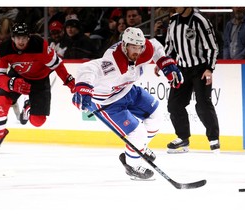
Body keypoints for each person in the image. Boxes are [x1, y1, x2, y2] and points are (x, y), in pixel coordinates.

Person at [72, 27, 184, 180]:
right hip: (108, 102)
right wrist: (83, 88)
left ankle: (140, 148)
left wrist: (164, 62)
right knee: (137, 133)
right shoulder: (112, 61)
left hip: (128, 90)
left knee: (157, 116)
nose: (137, 51)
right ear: (124, 45)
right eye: (133, 47)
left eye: (139, 46)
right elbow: (88, 68)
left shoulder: (143, 50)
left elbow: (155, 45)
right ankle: (132, 166)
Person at [0, 22, 75, 154]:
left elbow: (57, 65)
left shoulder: (39, 45)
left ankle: (28, 108)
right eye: (17, 38)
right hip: (17, 76)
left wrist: (69, 81)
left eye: (24, 38)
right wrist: (12, 83)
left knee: (38, 121)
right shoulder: (4, 49)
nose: (21, 41)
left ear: (29, 37)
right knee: (0, 104)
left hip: (40, 79)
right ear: (12, 38)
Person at [162, 7, 220, 153]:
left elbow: (212, 47)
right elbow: (169, 45)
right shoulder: (173, 20)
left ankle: (214, 139)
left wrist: (209, 68)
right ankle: (183, 139)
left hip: (200, 69)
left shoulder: (200, 21)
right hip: (181, 69)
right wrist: (162, 62)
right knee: (174, 105)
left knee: (203, 104)